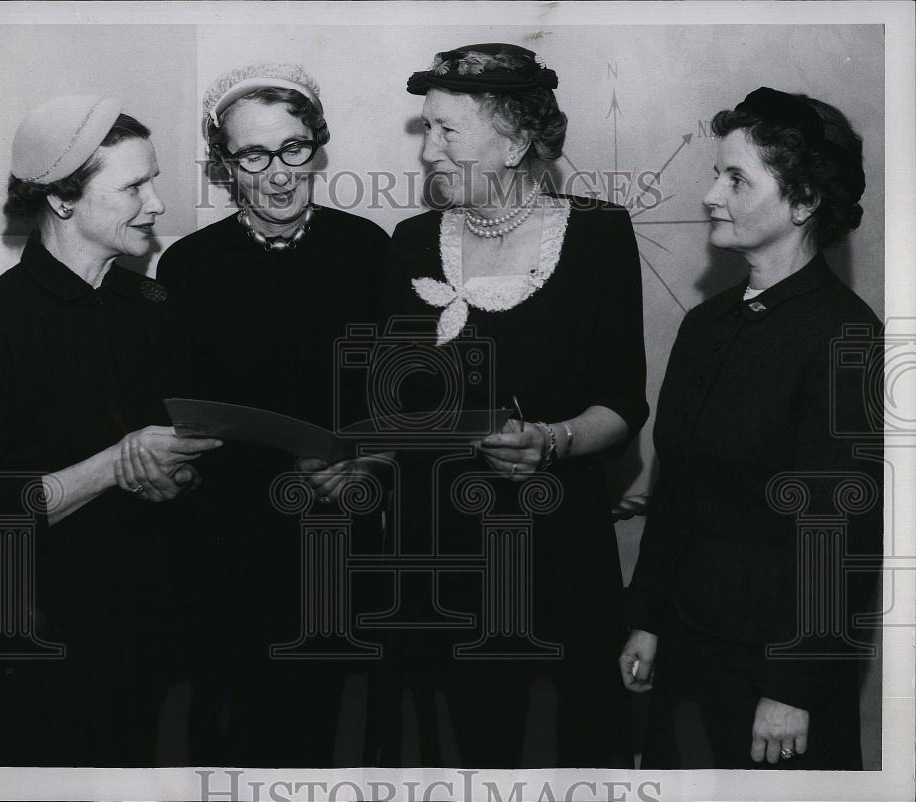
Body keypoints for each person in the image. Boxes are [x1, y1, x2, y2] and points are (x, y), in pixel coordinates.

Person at [369, 43, 648, 767]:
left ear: (518, 140)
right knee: (469, 753)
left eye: (446, 131)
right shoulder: (409, 245)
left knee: (586, 750)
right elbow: (390, 408)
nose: (427, 149)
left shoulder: (598, 235)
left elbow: (623, 402)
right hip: (447, 553)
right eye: (425, 128)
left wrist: (552, 439)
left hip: (562, 546)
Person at [0, 95, 222, 766]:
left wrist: (175, 475)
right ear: (63, 201)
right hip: (38, 642)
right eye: (134, 186)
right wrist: (115, 464)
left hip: (143, 635)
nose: (157, 204)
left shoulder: (154, 307)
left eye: (152, 180)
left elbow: (186, 467)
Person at [620, 87, 883, 769]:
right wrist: (646, 620)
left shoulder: (846, 336)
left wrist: (793, 687)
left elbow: (836, 533)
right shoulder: (706, 324)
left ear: (803, 202)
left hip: (774, 679)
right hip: (685, 649)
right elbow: (674, 492)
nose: (711, 194)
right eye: (717, 173)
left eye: (737, 178)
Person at [155, 63, 389, 766]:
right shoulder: (187, 266)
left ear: (316, 147)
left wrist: (367, 461)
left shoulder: (370, 252)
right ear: (226, 166)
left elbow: (404, 407)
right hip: (222, 550)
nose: (279, 173)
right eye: (254, 155)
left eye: (294, 149)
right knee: (219, 735)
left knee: (320, 738)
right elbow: (174, 408)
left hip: (338, 544)